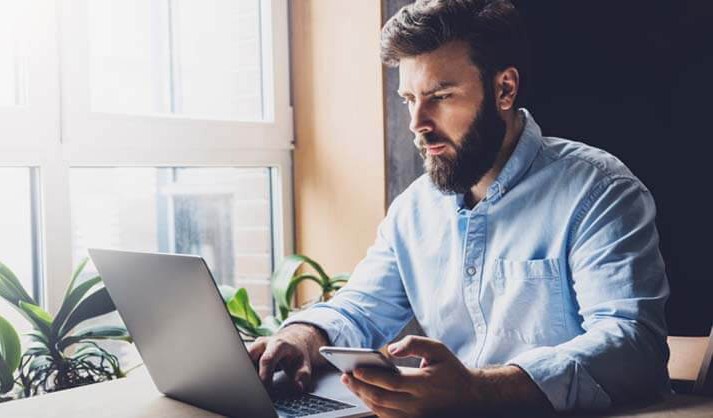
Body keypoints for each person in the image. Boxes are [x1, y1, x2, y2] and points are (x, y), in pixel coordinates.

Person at [249, 0, 670, 416]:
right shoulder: (414, 209)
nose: (417, 122)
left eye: (440, 96)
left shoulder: (598, 191)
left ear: (504, 88)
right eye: (409, 99)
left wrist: (480, 390)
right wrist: (302, 336)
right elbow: (361, 307)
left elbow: (633, 344)